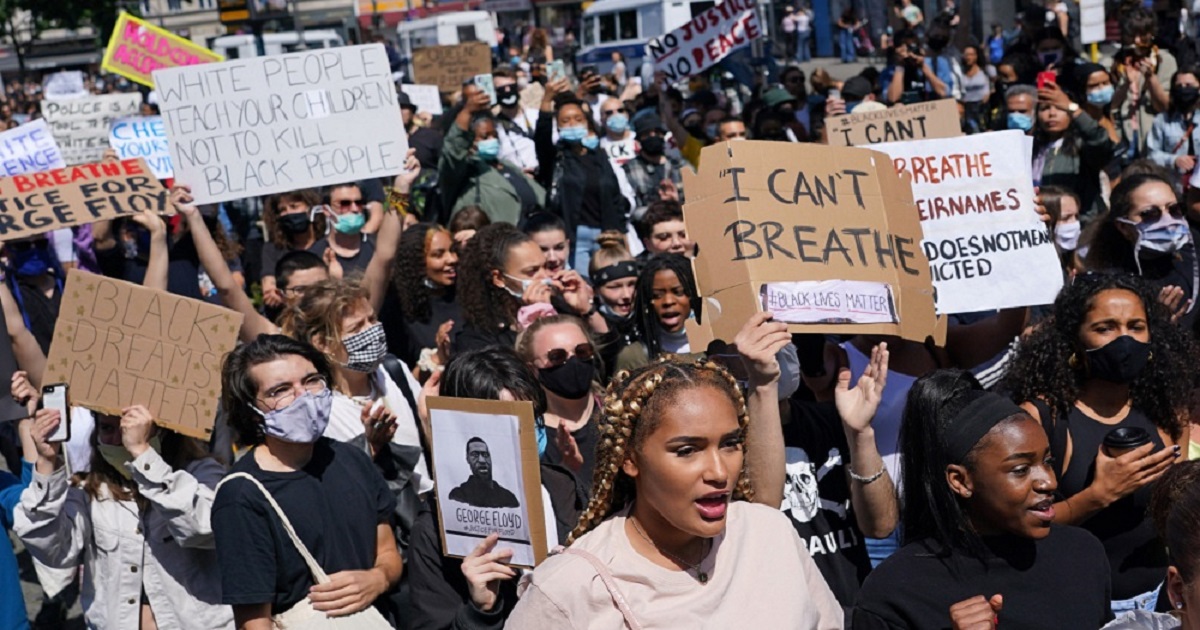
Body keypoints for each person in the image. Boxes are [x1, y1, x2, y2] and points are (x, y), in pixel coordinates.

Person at [505, 358, 843, 628]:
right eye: (687, 450)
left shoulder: (771, 533)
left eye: (730, 444)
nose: (718, 472)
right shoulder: (569, 589)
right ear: (630, 460)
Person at [853, 370, 1114, 628]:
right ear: (960, 481)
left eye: (1048, 462)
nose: (1049, 482)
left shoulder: (1082, 555)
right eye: (1020, 470)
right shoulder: (895, 592)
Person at [1005, 272, 1195, 613]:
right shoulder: (1042, 417)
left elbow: (1179, 517)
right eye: (1105, 328)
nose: (1124, 339)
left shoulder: (1167, 411)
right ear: (1075, 340)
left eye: (1136, 326)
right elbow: (1015, 525)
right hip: (1071, 605)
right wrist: (1097, 496)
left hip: (1158, 604)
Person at [212, 335, 401, 627]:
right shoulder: (242, 495)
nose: (303, 396)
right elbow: (254, 622)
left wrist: (377, 578)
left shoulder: (352, 459)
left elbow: (388, 552)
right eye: (281, 390)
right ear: (252, 412)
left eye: (311, 380)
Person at [407, 346, 586, 630]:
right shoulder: (433, 531)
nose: (528, 431)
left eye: (533, 416)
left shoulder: (563, 487)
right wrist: (480, 610)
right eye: (510, 422)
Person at [14, 400, 233, 629]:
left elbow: (204, 528)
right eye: (108, 428)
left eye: (131, 427)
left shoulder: (201, 474)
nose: (121, 439)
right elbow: (51, 549)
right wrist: (47, 462)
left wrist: (144, 456)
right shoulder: (88, 489)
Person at [535, 80, 630, 275]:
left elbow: (615, 197)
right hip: (575, 238)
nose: (572, 124)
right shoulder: (556, 159)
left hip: (607, 237)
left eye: (578, 119)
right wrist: (547, 99)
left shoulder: (599, 157)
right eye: (565, 121)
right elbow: (542, 136)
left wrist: (621, 235)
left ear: (587, 123)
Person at [1081, 172, 1198, 326]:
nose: (1168, 221)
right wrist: (1155, 325)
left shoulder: (1193, 251)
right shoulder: (1109, 283)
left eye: (1174, 209)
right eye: (1150, 214)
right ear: (1123, 226)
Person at [454, 223, 592, 353]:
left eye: (544, 267)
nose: (544, 276)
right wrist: (537, 322)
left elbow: (603, 359)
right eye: (532, 271)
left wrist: (587, 310)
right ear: (499, 278)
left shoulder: (560, 307)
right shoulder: (476, 339)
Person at [439, 84, 546, 226]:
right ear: (470, 141)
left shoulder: (505, 165)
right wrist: (467, 111)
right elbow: (453, 150)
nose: (492, 140)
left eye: (494, 135)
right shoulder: (464, 172)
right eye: (484, 137)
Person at [515, 314, 601, 482]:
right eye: (557, 356)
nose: (573, 361)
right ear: (533, 369)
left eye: (582, 351)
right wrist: (565, 470)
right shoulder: (528, 437)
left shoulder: (619, 414)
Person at [1033, 75, 1116, 220]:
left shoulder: (1082, 146)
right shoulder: (1032, 149)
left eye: (1059, 108)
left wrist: (1072, 107)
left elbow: (1100, 139)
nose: (1052, 114)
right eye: (1045, 108)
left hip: (1082, 224)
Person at [384, 222, 460, 371]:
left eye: (452, 250)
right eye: (438, 254)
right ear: (417, 262)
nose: (452, 259)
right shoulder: (398, 311)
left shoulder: (466, 297)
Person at [615, 254, 701, 372]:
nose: (668, 301)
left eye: (678, 292)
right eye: (657, 295)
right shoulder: (634, 357)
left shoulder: (716, 348)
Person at [259, 189, 326, 309]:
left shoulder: (327, 243)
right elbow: (268, 283)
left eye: (294, 206)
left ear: (311, 208)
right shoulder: (273, 248)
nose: (289, 213)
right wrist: (272, 293)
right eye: (282, 210)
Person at [1147, 68, 1200, 180]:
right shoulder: (1162, 120)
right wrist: (1174, 160)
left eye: (1189, 85)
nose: (1184, 89)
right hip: (1176, 183)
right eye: (1179, 86)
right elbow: (1152, 155)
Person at [448, 438, 521, 508]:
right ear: (468, 459)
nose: (482, 460)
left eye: (485, 455)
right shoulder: (459, 495)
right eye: (475, 455)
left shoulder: (508, 497)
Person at [1040, 185, 1083, 271]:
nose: (1074, 223)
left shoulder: (1081, 260)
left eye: (1076, 216)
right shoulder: (1040, 266)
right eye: (1066, 218)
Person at [960, 44, 991, 132]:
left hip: (981, 106)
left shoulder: (986, 70)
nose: (968, 57)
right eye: (966, 55)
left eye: (971, 54)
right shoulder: (960, 72)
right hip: (967, 106)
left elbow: (993, 85)